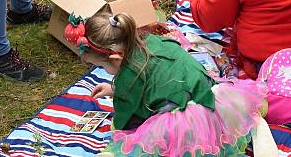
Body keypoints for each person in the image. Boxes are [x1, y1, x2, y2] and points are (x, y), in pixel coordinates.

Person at [64, 12, 266, 157]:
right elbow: (154, 80)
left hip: (190, 123)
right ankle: (250, 113)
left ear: (116, 58)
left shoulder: (130, 78)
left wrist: (121, 136)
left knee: (138, 143)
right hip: (216, 97)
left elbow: (127, 120)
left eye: (99, 66)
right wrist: (112, 88)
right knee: (239, 115)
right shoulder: (151, 42)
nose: (104, 72)